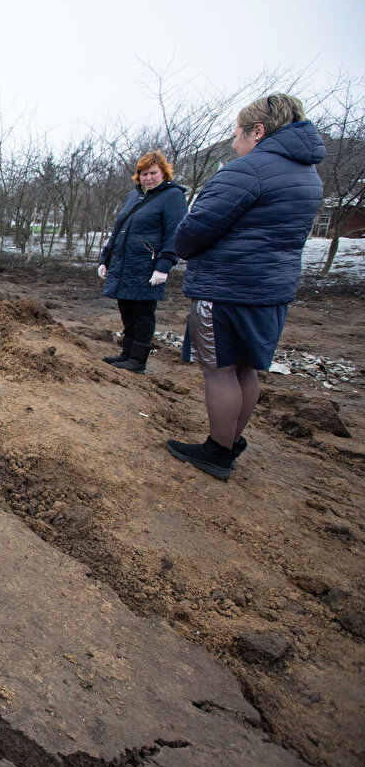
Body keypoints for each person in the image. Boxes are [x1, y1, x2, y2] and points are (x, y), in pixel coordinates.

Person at [166, 93, 325, 479]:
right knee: (244, 368)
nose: (234, 141)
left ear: (258, 131)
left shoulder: (247, 170)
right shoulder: (307, 175)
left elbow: (190, 234)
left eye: (237, 132)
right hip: (271, 289)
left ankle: (217, 451)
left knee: (219, 369)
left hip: (227, 287)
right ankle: (230, 441)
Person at [97, 150, 187, 373]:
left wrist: (164, 266)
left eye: (153, 173)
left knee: (143, 313)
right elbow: (119, 230)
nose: (148, 178)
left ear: (164, 173)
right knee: (127, 310)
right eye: (143, 173)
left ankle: (138, 361)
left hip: (147, 265)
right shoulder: (134, 196)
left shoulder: (173, 196)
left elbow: (175, 233)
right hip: (125, 264)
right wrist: (105, 259)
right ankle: (126, 353)